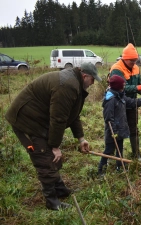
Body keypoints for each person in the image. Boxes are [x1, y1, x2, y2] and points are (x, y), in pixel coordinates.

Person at [5, 62, 101, 210]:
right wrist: (55, 146)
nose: (93, 83)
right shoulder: (68, 86)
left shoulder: (74, 84)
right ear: (84, 76)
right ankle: (51, 201)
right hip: (26, 120)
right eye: (92, 79)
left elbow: (72, 114)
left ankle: (60, 189)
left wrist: (81, 138)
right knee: (45, 157)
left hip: (39, 119)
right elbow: (58, 118)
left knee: (52, 156)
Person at [98, 75, 141, 175]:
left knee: (120, 148)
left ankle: (119, 166)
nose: (124, 86)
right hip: (112, 131)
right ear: (118, 87)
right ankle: (101, 169)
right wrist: (114, 131)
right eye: (123, 85)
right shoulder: (111, 100)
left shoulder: (121, 96)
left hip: (120, 129)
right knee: (109, 150)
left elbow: (132, 102)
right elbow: (108, 118)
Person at [109, 43, 141, 160]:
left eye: (135, 60)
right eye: (131, 61)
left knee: (134, 129)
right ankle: (119, 158)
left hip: (132, 104)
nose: (134, 63)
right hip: (120, 104)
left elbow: (139, 84)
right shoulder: (116, 69)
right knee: (119, 130)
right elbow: (121, 87)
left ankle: (136, 154)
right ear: (125, 59)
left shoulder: (136, 68)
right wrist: (139, 87)